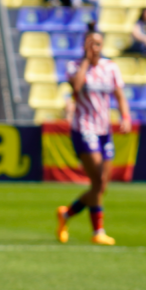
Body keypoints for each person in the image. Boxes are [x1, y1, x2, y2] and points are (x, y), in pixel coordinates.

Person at [55, 30, 131, 246]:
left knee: (101, 185)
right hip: (83, 128)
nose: (94, 47)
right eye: (90, 44)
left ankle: (66, 214)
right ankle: (98, 231)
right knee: (97, 180)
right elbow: (76, 89)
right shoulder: (75, 66)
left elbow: (119, 95)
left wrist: (125, 116)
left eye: (97, 44)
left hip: (104, 129)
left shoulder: (110, 67)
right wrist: (86, 62)